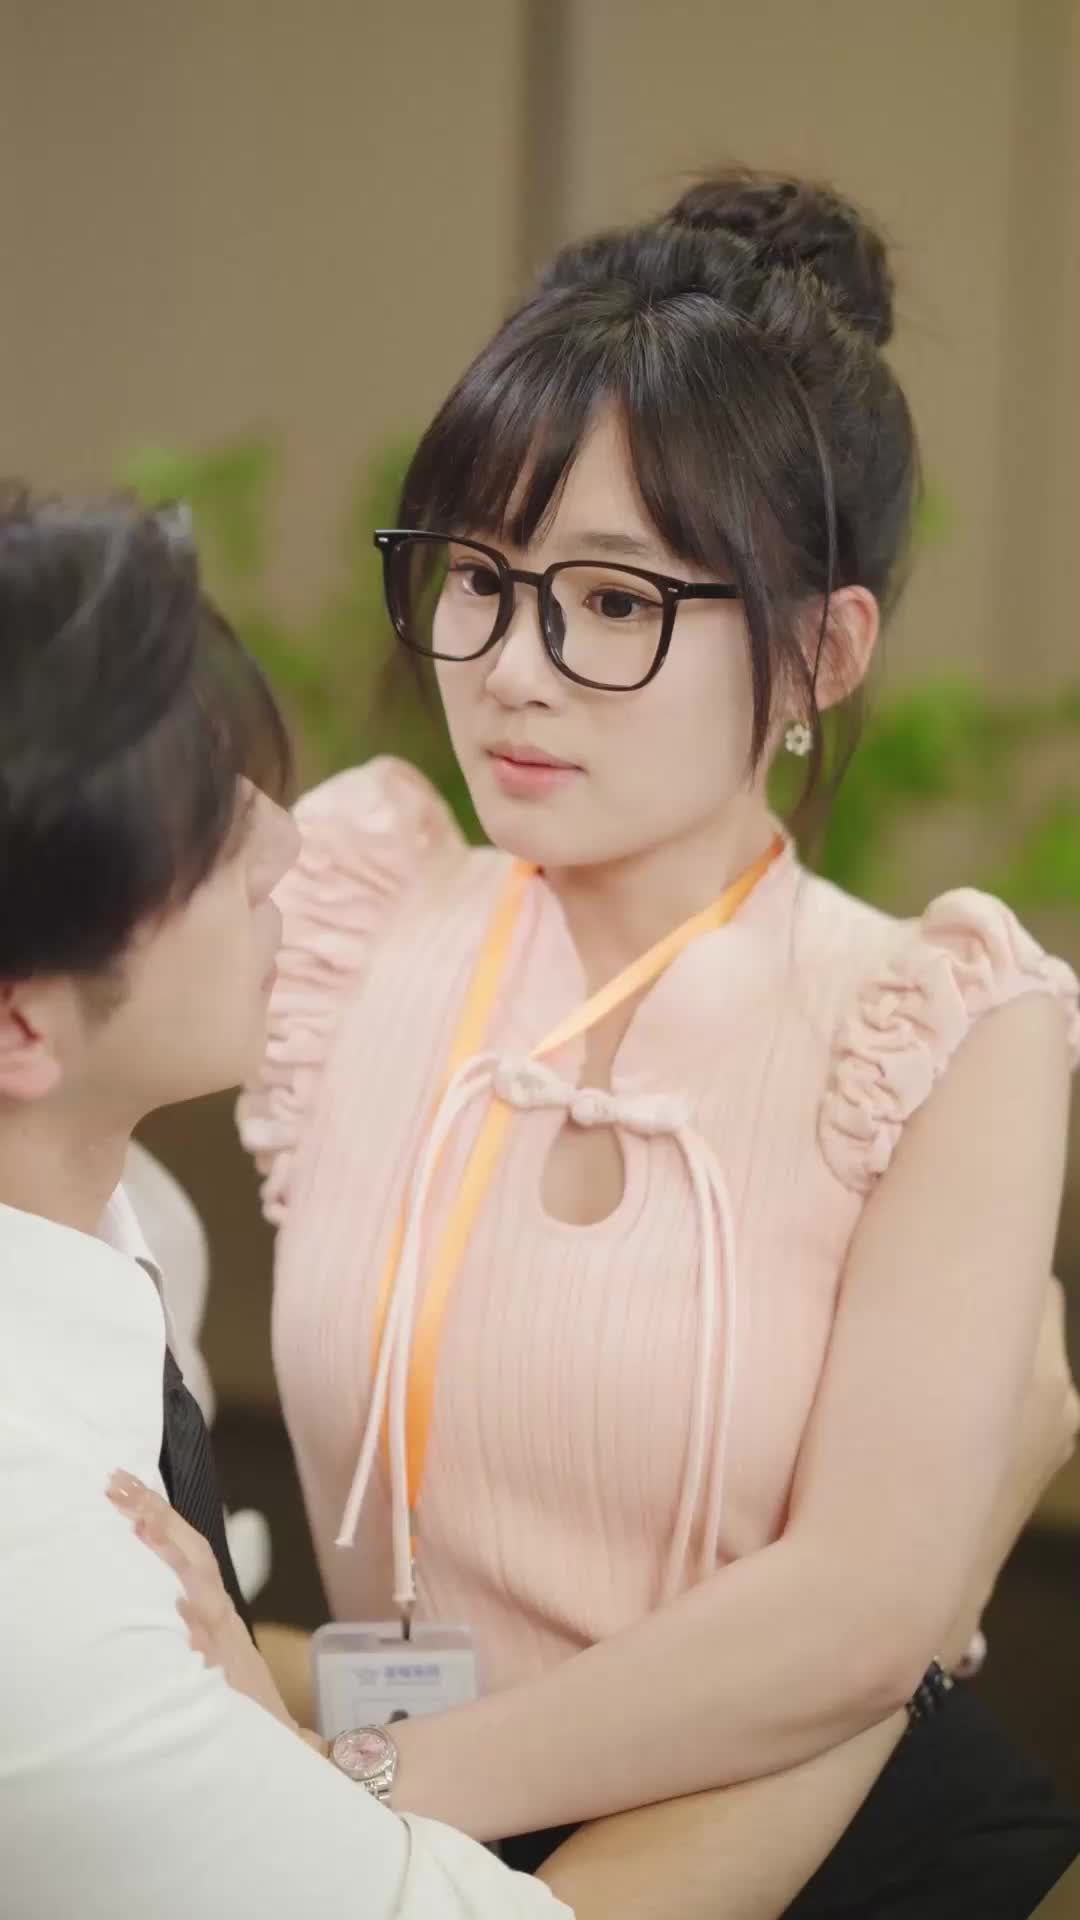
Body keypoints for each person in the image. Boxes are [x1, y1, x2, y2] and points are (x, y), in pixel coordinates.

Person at [220, 170, 1080, 1917]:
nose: (511, 667)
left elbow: (864, 1614)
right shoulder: (348, 910)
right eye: (478, 576)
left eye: (614, 602)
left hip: (839, 1858)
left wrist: (371, 1792)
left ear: (821, 653)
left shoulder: (943, 1026)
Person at [0, 490, 574, 1919]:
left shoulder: (135, 1232)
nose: (286, 846)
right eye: (204, 823)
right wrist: (881, 1665)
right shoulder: (30, 1552)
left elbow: (191, 1643)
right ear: (21, 1024)